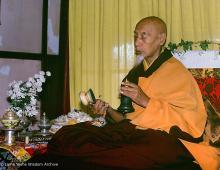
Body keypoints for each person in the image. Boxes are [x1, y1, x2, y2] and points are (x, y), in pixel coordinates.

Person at [23, 16, 217, 170]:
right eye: (135, 36)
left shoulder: (177, 72)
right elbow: (126, 119)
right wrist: (106, 110)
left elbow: (192, 125)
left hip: (168, 140)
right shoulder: (135, 73)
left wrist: (147, 101)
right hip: (132, 133)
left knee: (128, 154)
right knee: (68, 135)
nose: (137, 41)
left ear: (161, 39)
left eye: (144, 36)